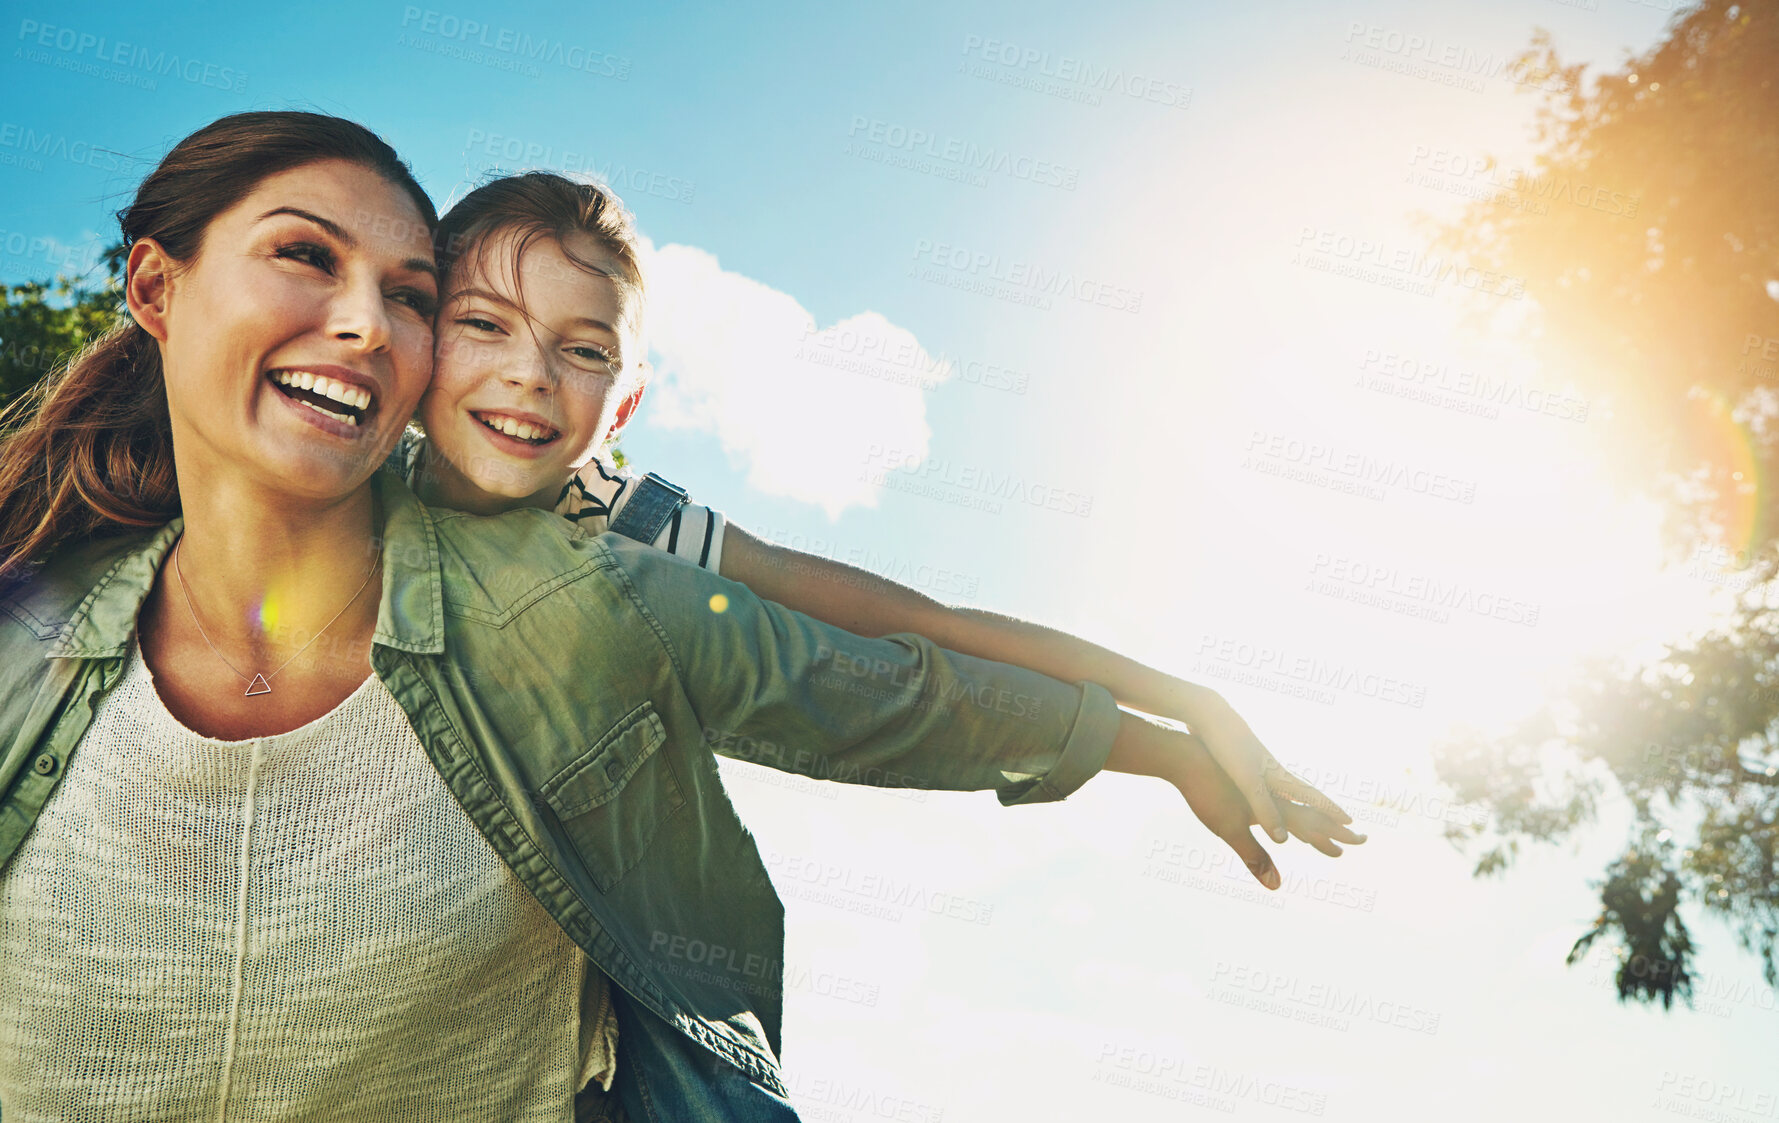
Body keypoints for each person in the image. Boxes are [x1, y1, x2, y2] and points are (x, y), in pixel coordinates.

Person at [0, 112, 1360, 1123]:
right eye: (472, 322)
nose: (525, 379)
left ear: (623, 406)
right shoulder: (324, 452)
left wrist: (1179, 711)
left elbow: (915, 649)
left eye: (582, 350)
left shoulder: (625, 530)